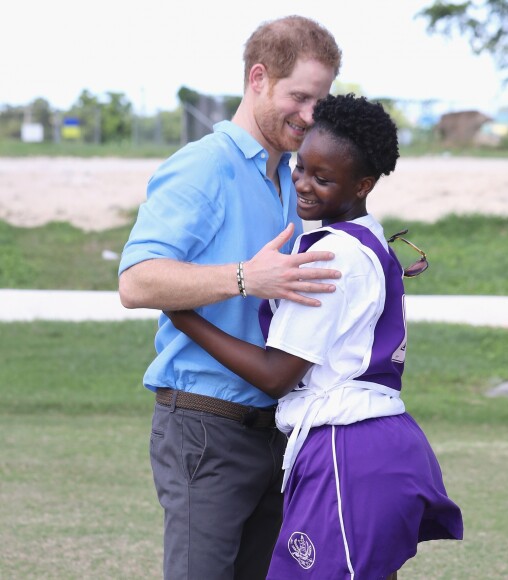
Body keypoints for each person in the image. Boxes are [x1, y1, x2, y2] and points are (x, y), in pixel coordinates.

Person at [166, 93, 464, 579]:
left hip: (347, 448)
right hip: (375, 442)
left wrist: (184, 316)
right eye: (301, 168)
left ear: (364, 184)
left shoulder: (332, 258)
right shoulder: (366, 241)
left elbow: (276, 374)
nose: (303, 184)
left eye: (323, 178)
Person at [118, 15, 342, 580]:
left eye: (321, 101)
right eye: (300, 97)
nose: (311, 116)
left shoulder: (290, 177)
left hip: (279, 429)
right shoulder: (204, 166)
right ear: (259, 78)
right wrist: (247, 277)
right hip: (204, 428)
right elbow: (136, 281)